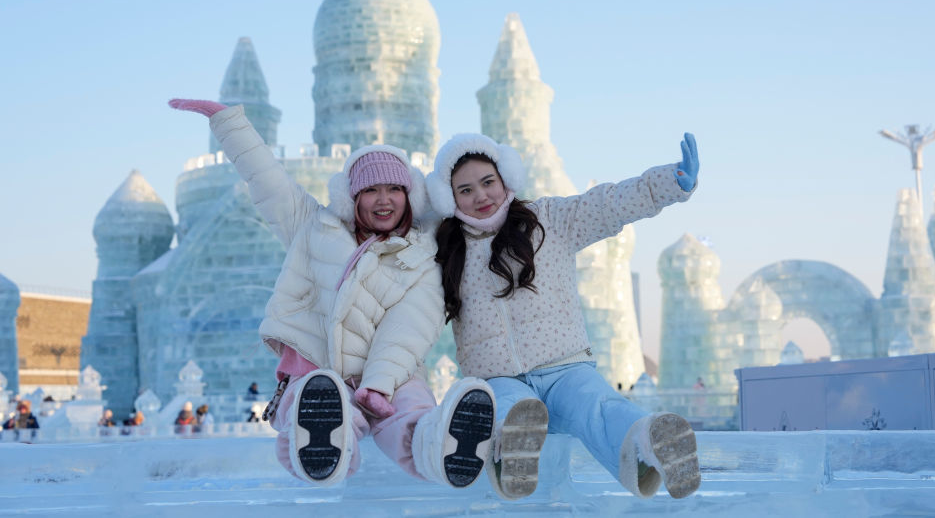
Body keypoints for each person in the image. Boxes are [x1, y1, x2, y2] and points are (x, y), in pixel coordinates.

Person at [169, 99, 495, 489]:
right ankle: (326, 447)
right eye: (371, 190)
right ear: (351, 197)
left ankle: (441, 446)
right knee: (314, 403)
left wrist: (378, 384)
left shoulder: (421, 254)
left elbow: (410, 325)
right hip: (316, 370)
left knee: (408, 414)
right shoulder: (314, 228)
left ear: (410, 196)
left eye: (394, 189)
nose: (384, 199)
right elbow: (266, 181)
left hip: (392, 371)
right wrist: (228, 123)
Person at [426, 132, 702, 500]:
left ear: (505, 178)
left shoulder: (547, 220)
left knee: (597, 406)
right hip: (499, 374)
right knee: (508, 407)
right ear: (449, 198)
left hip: (565, 366)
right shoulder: (446, 249)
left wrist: (668, 182)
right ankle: (512, 450)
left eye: (488, 182)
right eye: (465, 190)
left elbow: (606, 205)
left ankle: (650, 442)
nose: (481, 195)